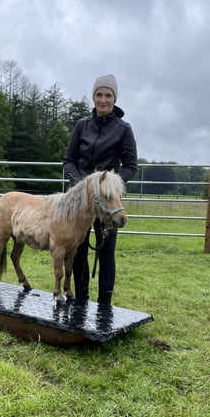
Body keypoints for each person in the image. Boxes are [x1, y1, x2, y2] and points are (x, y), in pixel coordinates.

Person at [62, 74, 138, 305]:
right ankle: (81, 300)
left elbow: (131, 166)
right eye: (99, 94)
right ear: (93, 97)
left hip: (107, 201)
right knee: (77, 250)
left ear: (114, 98)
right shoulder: (81, 126)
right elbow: (69, 160)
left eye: (108, 95)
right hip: (81, 201)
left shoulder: (123, 129)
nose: (103, 100)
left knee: (106, 253)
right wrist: (81, 184)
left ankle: (105, 304)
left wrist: (110, 183)